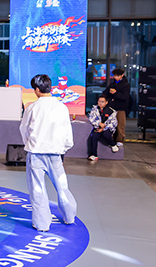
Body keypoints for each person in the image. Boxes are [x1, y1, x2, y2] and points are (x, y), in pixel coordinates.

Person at [19, 74, 76, 232]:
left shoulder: (32, 108)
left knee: (37, 189)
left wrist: (29, 143)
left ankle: (42, 224)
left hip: (36, 153)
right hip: (55, 153)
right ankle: (69, 216)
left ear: (37, 89)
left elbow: (24, 129)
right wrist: (63, 149)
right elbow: (67, 133)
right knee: (62, 186)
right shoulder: (62, 107)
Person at [102, 68, 130, 147]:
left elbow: (124, 97)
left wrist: (115, 93)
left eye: (117, 76)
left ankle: (120, 140)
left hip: (120, 108)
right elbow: (105, 92)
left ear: (122, 75)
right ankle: (111, 139)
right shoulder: (112, 84)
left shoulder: (126, 85)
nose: (115, 77)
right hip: (111, 108)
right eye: (114, 75)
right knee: (111, 124)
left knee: (120, 125)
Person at [87, 94, 119, 161]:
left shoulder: (111, 111)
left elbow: (114, 123)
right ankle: (94, 155)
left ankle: (112, 144)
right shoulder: (94, 109)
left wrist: (104, 127)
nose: (100, 103)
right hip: (97, 127)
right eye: (99, 101)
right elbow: (91, 119)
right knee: (93, 136)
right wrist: (98, 124)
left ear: (106, 102)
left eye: (102, 102)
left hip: (107, 128)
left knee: (106, 134)